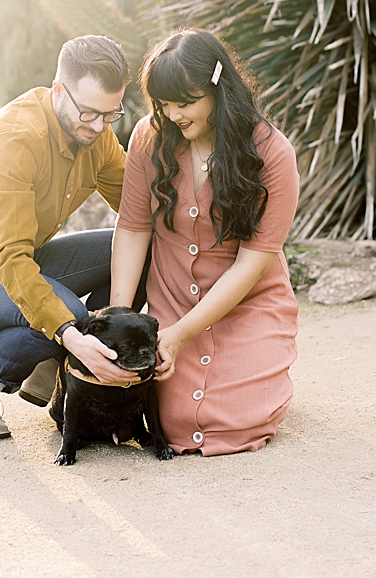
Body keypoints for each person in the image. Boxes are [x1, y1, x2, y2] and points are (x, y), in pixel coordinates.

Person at [0, 34, 147, 441]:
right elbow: (9, 259)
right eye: (89, 113)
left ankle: (60, 365)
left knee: (138, 252)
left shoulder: (94, 135)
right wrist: (70, 335)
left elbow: (139, 212)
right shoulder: (13, 139)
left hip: (31, 258)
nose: (99, 127)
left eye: (110, 114)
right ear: (58, 90)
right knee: (67, 318)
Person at [108, 29, 299, 455]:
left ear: (218, 88)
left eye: (185, 102)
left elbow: (253, 263)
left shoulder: (272, 153)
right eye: (163, 103)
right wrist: (122, 317)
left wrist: (180, 335)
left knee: (241, 420)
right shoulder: (148, 137)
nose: (173, 114)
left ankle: (266, 374)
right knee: (174, 421)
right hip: (173, 300)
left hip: (248, 301)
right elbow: (134, 226)